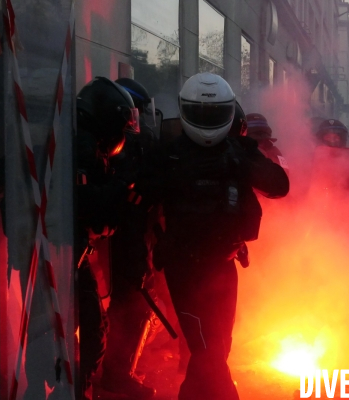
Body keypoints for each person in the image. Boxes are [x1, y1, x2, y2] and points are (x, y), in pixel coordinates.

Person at [140, 72, 289, 400]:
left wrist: (244, 162)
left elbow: (280, 185)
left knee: (217, 348)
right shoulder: (170, 155)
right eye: (200, 112)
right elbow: (140, 201)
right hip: (185, 269)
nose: (207, 121)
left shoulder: (238, 152)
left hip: (223, 265)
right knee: (208, 351)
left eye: (214, 113)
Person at [75, 76, 151, 399]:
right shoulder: (82, 149)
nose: (123, 138)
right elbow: (88, 205)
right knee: (93, 330)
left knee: (96, 327)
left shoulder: (87, 145)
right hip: (67, 255)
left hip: (74, 253)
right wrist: (121, 189)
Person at [96, 78, 160, 398]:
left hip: (130, 235)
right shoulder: (128, 146)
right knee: (131, 304)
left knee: (133, 303)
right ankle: (117, 374)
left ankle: (118, 370)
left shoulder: (119, 142)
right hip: (127, 238)